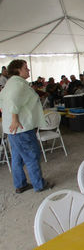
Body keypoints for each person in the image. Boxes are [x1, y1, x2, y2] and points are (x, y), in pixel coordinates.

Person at [0, 59, 53, 193]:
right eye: (25, 68)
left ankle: (20, 184)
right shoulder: (18, 85)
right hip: (22, 128)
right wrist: (14, 118)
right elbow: (13, 101)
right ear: (18, 70)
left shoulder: (10, 84)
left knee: (17, 158)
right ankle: (39, 185)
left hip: (14, 130)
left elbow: (3, 101)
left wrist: (10, 118)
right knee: (32, 156)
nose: (28, 70)